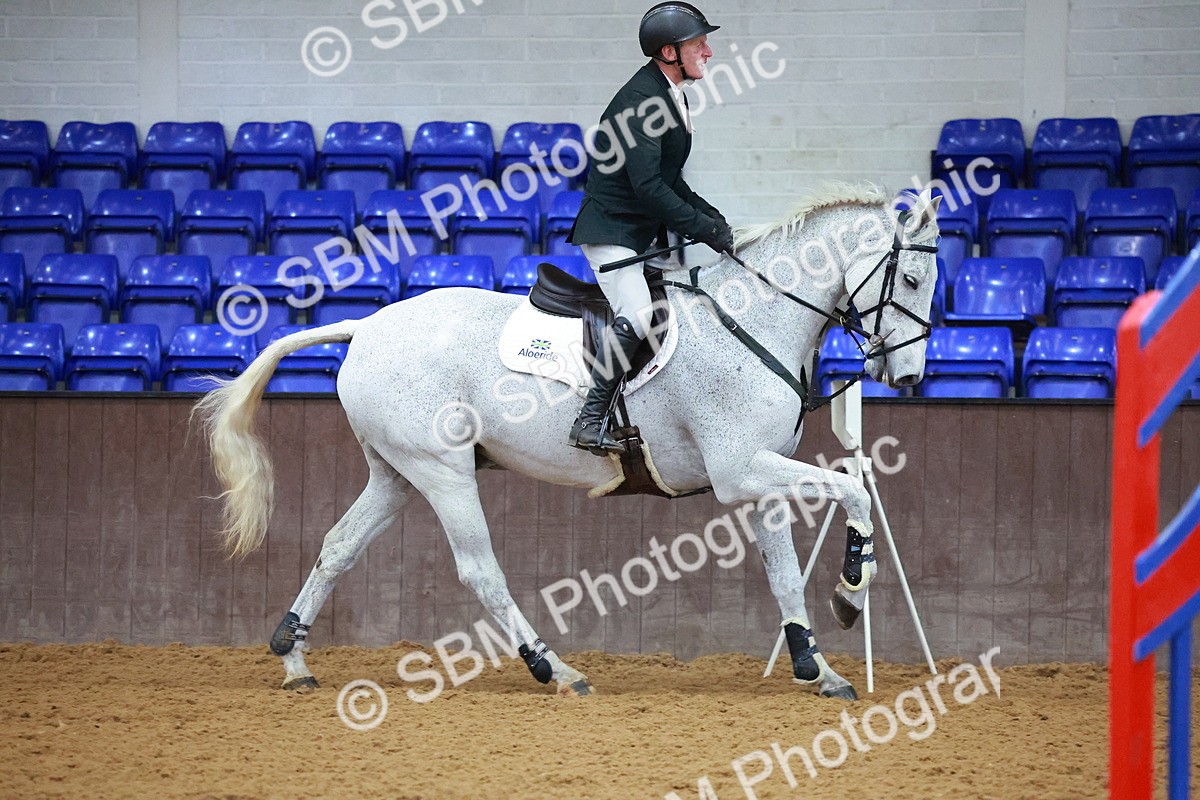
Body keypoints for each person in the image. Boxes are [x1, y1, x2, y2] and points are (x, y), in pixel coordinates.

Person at [567, 1, 734, 454]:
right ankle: (589, 418)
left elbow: (669, 181)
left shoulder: (669, 93)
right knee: (638, 312)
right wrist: (704, 228)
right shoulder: (643, 102)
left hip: (638, 233)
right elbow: (647, 190)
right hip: (613, 231)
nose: (709, 52)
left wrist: (713, 219)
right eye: (700, 44)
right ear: (668, 52)